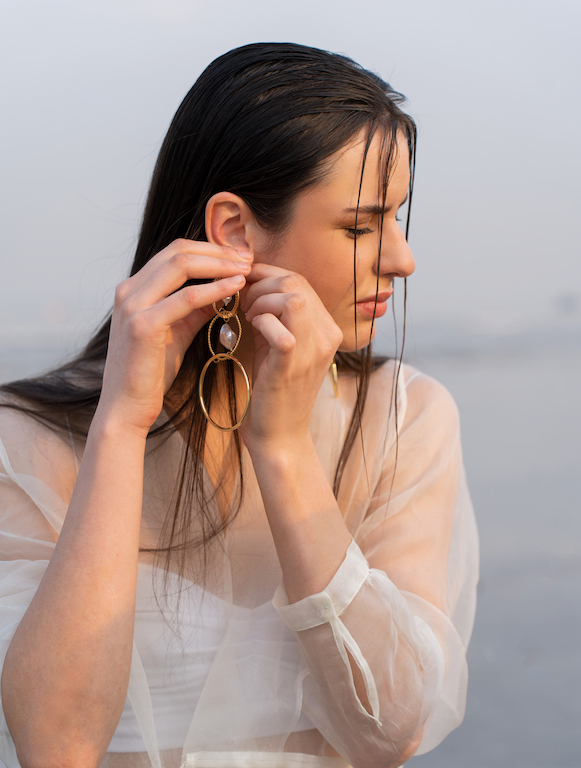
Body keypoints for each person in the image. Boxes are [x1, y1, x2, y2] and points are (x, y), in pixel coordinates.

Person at [0, 43, 478, 768]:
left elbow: (391, 732)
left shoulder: (402, 419)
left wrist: (283, 452)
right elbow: (55, 745)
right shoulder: (31, 438)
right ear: (233, 231)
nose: (402, 259)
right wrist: (123, 426)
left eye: (396, 219)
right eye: (360, 226)